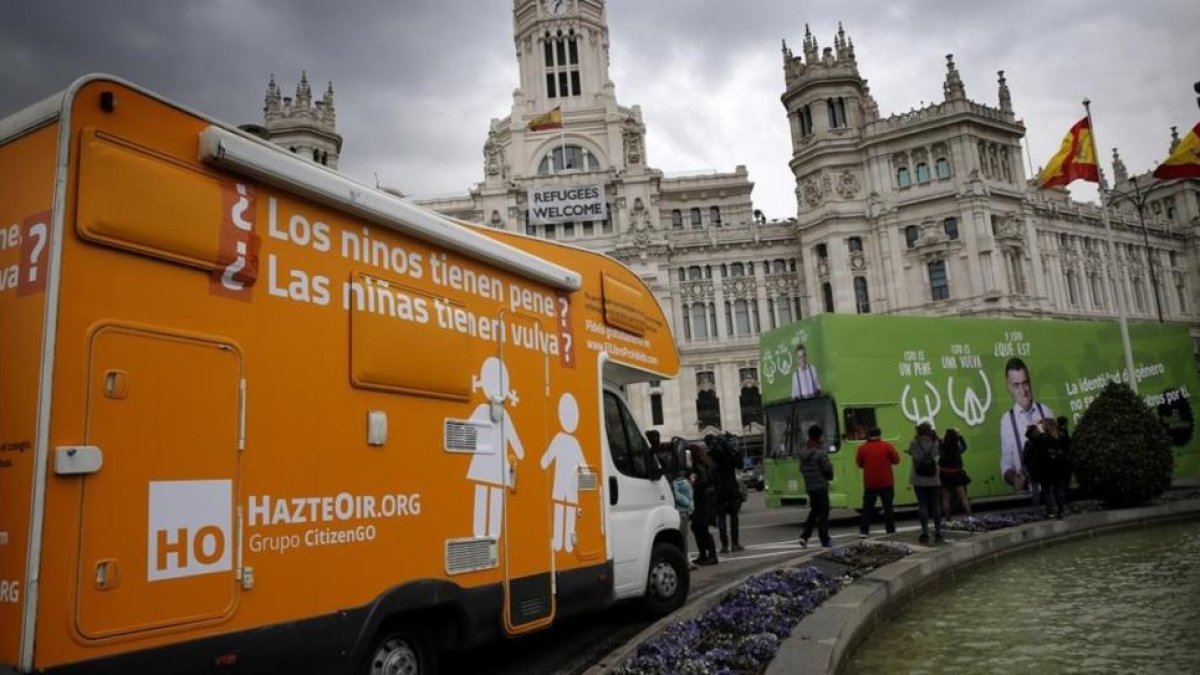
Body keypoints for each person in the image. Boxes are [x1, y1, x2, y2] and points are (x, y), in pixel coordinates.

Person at [999, 357, 1054, 499]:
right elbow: (1006, 466)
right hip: (1028, 496)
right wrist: (1015, 479)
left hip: (1052, 491)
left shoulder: (1046, 411)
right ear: (1009, 387)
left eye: (1025, 383)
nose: (1023, 390)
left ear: (1030, 381)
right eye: (1016, 385)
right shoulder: (1006, 421)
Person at [856, 426, 900, 537]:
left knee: (867, 508)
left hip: (870, 483)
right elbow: (896, 460)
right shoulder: (887, 446)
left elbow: (860, 464)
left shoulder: (862, 448)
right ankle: (890, 529)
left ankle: (864, 530)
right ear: (880, 434)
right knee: (888, 507)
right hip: (886, 482)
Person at [707, 434, 744, 553]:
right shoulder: (728, 455)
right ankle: (735, 543)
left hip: (719, 491)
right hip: (732, 490)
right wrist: (734, 450)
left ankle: (724, 545)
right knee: (734, 518)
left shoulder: (711, 456)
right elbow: (740, 464)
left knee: (721, 519)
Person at [798, 425, 834, 548]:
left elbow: (801, 469)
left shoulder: (803, 452)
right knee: (823, 513)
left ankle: (804, 536)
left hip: (810, 486)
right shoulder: (820, 452)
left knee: (814, 511)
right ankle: (825, 539)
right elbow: (827, 470)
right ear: (819, 436)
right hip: (821, 486)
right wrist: (829, 477)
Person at [908, 422, 943, 544]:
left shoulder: (914, 443)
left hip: (919, 478)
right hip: (934, 478)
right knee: (936, 505)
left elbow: (914, 457)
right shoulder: (935, 442)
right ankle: (938, 530)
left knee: (922, 504)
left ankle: (925, 531)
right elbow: (936, 456)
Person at [688, 443, 719, 566]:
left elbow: (703, 481)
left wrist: (693, 483)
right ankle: (704, 554)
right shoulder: (704, 463)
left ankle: (710, 555)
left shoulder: (698, 466)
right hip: (707, 499)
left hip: (704, 500)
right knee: (698, 527)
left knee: (701, 528)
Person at [938, 428, 972, 517]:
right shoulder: (957, 448)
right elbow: (965, 446)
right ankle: (969, 516)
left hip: (944, 475)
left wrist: (940, 440)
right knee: (963, 497)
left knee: (946, 499)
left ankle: (948, 518)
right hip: (957, 475)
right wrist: (960, 436)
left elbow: (938, 449)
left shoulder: (943, 448)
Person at [671, 466, 697, 570]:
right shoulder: (678, 482)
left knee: (684, 536)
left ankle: (686, 560)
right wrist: (687, 503)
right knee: (683, 537)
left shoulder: (684, 480)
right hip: (682, 511)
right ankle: (684, 561)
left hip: (685, 511)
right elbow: (677, 495)